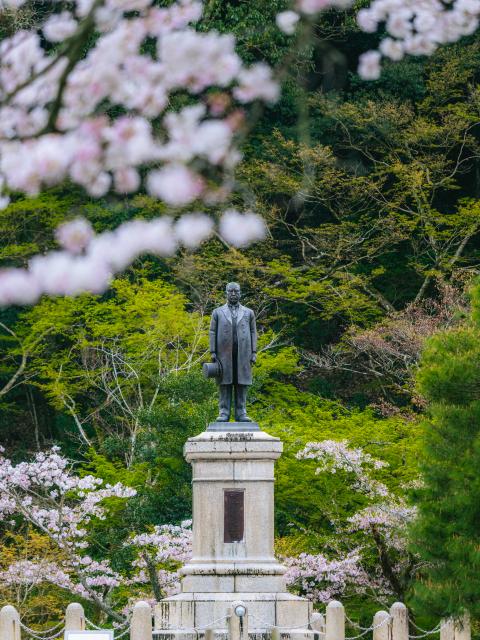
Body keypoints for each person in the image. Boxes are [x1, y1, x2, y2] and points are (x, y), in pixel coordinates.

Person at [209, 282, 257, 422]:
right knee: (225, 383)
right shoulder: (217, 312)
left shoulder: (249, 312)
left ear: (241, 293)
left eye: (236, 291)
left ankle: (241, 412)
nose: (234, 294)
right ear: (226, 293)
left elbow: (253, 332)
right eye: (231, 291)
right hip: (223, 354)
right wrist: (213, 351)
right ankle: (224, 412)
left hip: (244, 353)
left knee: (242, 383)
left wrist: (254, 352)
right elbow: (212, 332)